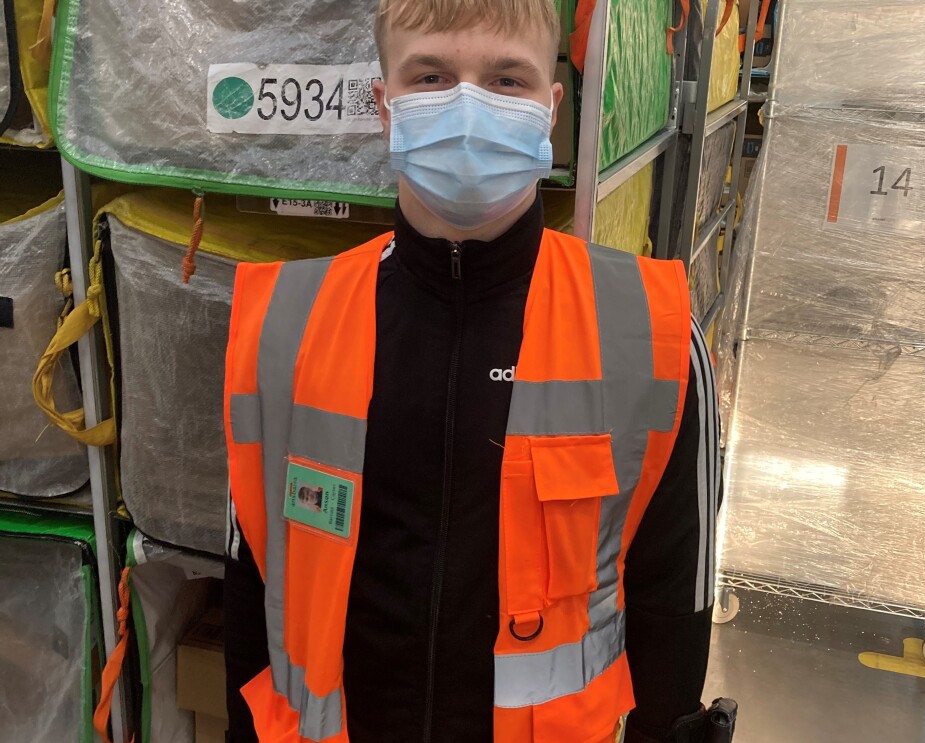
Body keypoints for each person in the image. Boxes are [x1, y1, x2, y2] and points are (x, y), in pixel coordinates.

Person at [223, 1, 720, 741]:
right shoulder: (281, 328)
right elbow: (252, 583)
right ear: (383, 105)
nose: (466, 105)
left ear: (550, 110)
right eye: (431, 75)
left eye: (505, 80)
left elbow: (671, 603)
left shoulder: (652, 336)